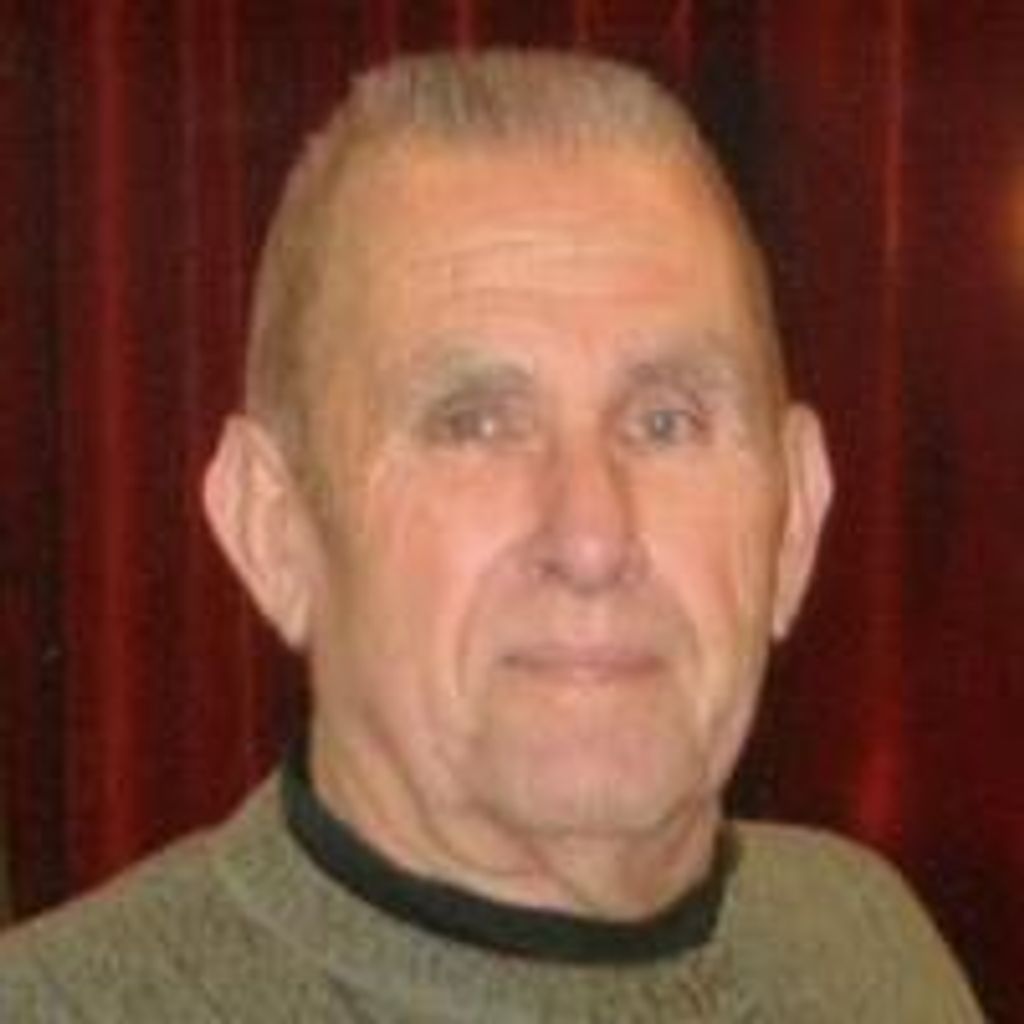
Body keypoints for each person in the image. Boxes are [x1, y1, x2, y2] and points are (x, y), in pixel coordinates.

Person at [0, 49, 984, 1021]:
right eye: (474, 424)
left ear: (795, 519)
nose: (592, 537)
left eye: (666, 421)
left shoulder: (862, 946)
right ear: (276, 531)